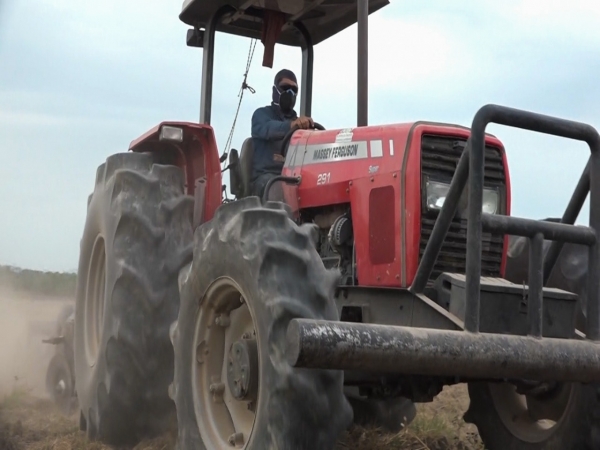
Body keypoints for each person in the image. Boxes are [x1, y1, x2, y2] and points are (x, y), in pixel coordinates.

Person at [250, 69, 314, 200]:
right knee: (277, 188)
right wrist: (292, 126)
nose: (290, 93)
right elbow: (267, 129)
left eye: (294, 90)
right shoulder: (261, 115)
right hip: (265, 178)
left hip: (293, 177)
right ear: (275, 91)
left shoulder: (299, 124)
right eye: (285, 88)